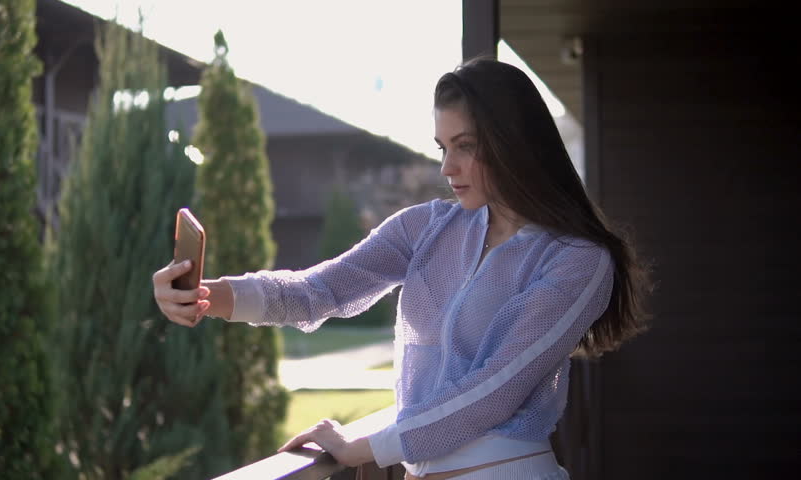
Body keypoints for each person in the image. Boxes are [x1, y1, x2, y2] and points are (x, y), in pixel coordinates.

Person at [153, 56, 650, 480]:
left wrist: (364, 446)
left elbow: (494, 392)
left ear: (513, 142)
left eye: (466, 146)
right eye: (442, 147)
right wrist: (206, 297)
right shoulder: (426, 228)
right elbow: (319, 290)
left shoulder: (579, 262)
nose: (446, 167)